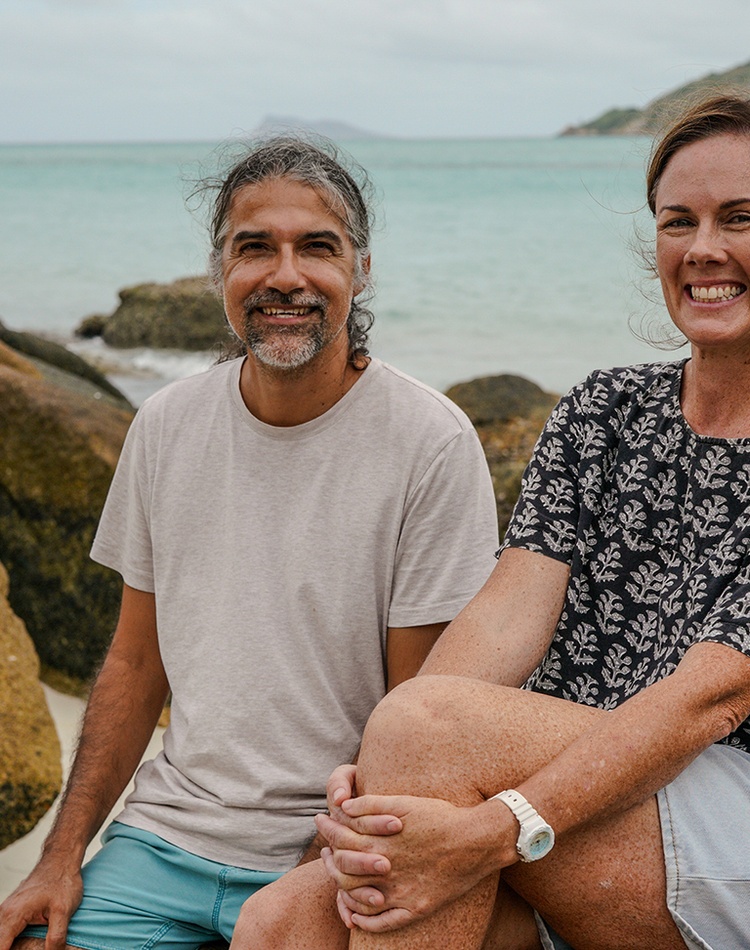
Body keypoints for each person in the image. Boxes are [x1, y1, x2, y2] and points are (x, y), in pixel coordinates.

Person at [233, 95, 750, 950]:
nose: (703, 250)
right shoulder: (605, 410)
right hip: (576, 786)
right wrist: (385, 778)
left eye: (740, 219)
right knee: (279, 921)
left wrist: (500, 826)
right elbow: (507, 615)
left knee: (426, 733)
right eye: (677, 222)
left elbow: (712, 697)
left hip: (720, 805)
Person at [0, 136, 498, 950]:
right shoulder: (165, 426)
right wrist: (60, 857)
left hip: (333, 852)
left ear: (361, 270)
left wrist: (306, 887)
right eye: (254, 247)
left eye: (318, 248)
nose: (285, 275)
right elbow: (133, 663)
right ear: (219, 270)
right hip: (164, 839)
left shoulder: (430, 443)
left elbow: (414, 719)